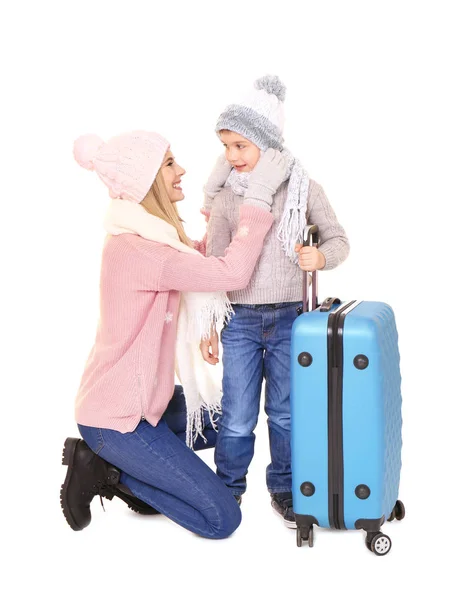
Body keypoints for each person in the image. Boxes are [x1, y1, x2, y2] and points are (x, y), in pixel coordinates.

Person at [60, 130, 288, 539]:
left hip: (152, 402)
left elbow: (198, 259)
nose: (180, 170)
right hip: (117, 422)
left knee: (238, 418)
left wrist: (220, 212)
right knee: (221, 520)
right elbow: (230, 272)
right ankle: (109, 470)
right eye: (168, 164)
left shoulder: (156, 240)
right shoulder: (142, 251)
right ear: (145, 179)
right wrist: (256, 204)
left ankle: (146, 472)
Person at [200, 75, 350, 527]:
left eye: (240, 146)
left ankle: (284, 488)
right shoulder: (227, 199)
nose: (231, 157)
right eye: (226, 146)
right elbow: (212, 266)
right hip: (239, 320)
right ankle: (228, 489)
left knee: (285, 413)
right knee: (238, 415)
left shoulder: (304, 190)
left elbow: (340, 240)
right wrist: (209, 326)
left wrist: (320, 255)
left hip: (291, 320)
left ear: (266, 144)